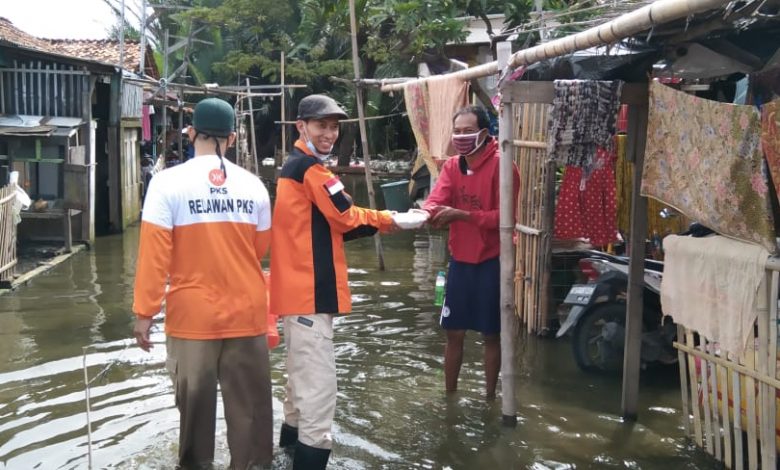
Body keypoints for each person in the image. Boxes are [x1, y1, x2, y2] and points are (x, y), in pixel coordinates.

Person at [132, 97, 274, 469]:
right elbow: (259, 249)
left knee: (195, 413)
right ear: (231, 137)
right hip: (248, 313)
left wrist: (145, 313)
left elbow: (153, 258)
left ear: (191, 132)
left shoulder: (166, 183)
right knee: (249, 412)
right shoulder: (254, 186)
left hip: (193, 318)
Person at [270, 94, 398, 469]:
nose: (329, 133)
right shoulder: (312, 170)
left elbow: (331, 226)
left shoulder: (293, 168)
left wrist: (379, 223)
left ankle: (284, 457)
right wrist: (394, 219)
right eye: (321, 125)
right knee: (319, 396)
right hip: (310, 296)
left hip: (295, 297)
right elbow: (346, 217)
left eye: (333, 126)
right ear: (301, 127)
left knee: (297, 392)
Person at [422, 105, 520, 399]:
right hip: (460, 261)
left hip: (493, 261)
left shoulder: (504, 167)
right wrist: (424, 214)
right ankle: (448, 396)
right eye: (458, 132)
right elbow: (436, 199)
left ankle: (490, 398)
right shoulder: (453, 165)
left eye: (468, 131)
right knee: (453, 333)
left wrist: (462, 215)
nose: (461, 137)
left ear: (485, 133)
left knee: (492, 335)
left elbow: (505, 219)